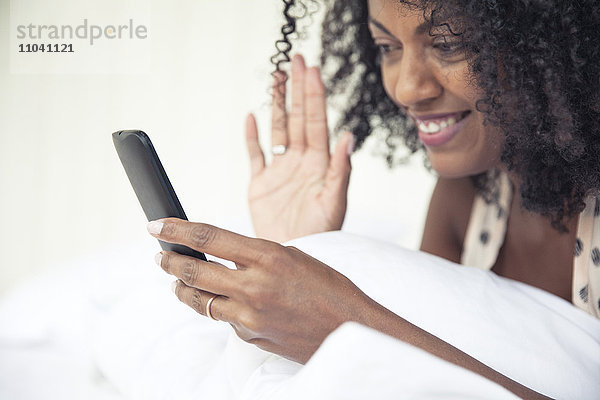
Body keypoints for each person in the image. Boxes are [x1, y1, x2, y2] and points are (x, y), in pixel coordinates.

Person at [145, 0, 600, 398]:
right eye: (387, 48)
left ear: (550, 44)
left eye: (446, 44)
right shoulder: (468, 197)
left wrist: (346, 328)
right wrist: (303, 250)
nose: (406, 88)